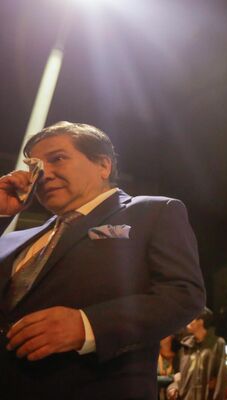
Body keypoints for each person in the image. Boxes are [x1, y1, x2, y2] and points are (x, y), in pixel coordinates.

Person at [0, 121, 205, 399]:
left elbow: (184, 295)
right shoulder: (14, 237)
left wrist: (87, 325)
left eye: (57, 158)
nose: (43, 174)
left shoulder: (153, 212)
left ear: (103, 165)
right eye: (35, 166)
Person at [167, 307, 227, 400]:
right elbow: (181, 376)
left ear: (201, 321)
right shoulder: (186, 347)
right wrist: (174, 387)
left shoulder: (217, 344)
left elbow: (221, 377)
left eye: (191, 318)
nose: (187, 321)